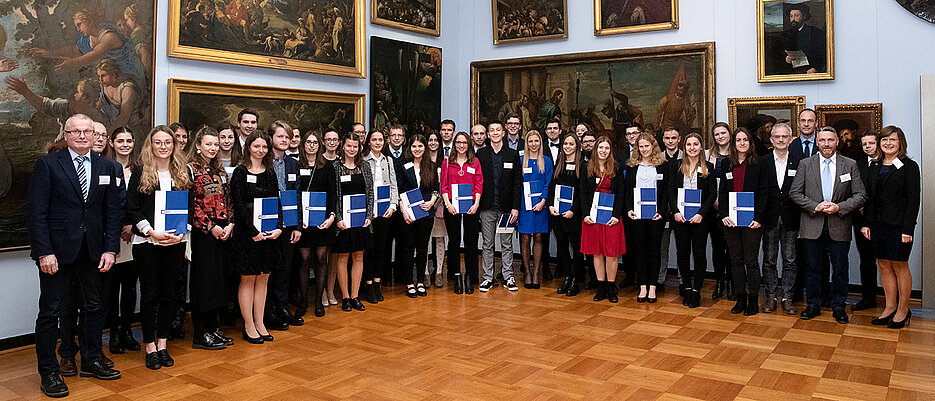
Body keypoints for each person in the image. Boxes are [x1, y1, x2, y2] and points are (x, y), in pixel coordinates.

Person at [28, 114, 123, 397]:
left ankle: (91, 360)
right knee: (51, 312)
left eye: (88, 132)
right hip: (56, 252)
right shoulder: (48, 165)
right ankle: (49, 373)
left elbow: (113, 212)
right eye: (76, 132)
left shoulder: (109, 166)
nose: (82, 136)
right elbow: (36, 213)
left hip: (94, 251)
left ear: (96, 136)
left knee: (95, 307)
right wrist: (44, 252)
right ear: (66, 135)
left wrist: (110, 248)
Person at [127, 125, 192, 369]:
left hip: (175, 243)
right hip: (147, 243)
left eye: (168, 142)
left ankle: (163, 344)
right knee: (150, 294)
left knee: (169, 295)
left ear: (174, 146)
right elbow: (132, 208)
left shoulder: (183, 172)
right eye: (158, 142)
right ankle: (149, 347)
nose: (163, 146)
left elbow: (191, 208)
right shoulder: (140, 172)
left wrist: (182, 231)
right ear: (150, 145)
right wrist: (151, 231)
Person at [789, 127, 866, 324]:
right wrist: (816, 206)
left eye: (830, 140)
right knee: (812, 267)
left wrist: (838, 207)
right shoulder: (805, 164)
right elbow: (795, 193)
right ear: (817, 142)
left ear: (836, 142)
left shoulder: (850, 165)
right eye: (822, 140)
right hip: (812, 223)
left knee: (840, 268)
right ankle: (813, 305)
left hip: (839, 223)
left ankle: (839, 306)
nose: (826, 144)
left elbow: (860, 195)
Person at [861, 126, 919, 329]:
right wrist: (866, 223)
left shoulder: (909, 166)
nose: (888, 144)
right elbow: (870, 199)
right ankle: (890, 307)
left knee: (900, 265)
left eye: (892, 140)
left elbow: (913, 201)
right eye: (884, 140)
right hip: (877, 225)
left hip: (898, 227)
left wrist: (908, 229)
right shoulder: (875, 165)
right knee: (883, 264)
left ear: (900, 142)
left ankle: (903, 310)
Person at [229, 132, 282, 344]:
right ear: (248, 147)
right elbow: (239, 205)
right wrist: (253, 232)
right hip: (247, 235)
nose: (260, 150)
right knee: (248, 278)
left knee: (264, 278)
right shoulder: (240, 172)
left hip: (268, 234)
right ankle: (248, 324)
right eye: (256, 146)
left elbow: (276, 200)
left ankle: (260, 322)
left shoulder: (270, 172)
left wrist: (278, 227)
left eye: (264, 147)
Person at [185, 126, 234, 350]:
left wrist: (230, 224)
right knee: (203, 282)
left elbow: (229, 199)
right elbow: (192, 205)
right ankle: (200, 334)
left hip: (224, 233)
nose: (213, 148)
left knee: (218, 281)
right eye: (208, 144)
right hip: (204, 234)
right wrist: (210, 227)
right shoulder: (190, 171)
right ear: (198, 145)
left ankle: (213, 329)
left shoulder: (220, 172)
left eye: (215, 144)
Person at [718, 128, 769, 316]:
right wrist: (723, 214)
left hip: (751, 222)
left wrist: (759, 219)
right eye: (738, 140)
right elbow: (722, 192)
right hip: (731, 220)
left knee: (751, 261)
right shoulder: (726, 164)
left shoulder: (760, 163)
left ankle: (753, 301)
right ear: (734, 143)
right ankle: (740, 299)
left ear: (750, 143)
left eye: (745, 139)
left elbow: (764, 193)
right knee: (736, 260)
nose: (741, 143)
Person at [666, 132, 715, 308]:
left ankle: (696, 290)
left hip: (700, 219)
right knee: (683, 253)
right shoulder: (676, 166)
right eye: (689, 144)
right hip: (681, 219)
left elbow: (712, 194)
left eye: (695, 144)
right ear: (684, 147)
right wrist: (676, 212)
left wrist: (701, 213)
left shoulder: (708, 167)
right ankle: (686, 287)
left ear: (701, 147)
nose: (692, 148)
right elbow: (670, 190)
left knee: (700, 254)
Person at [104, 127, 140, 355]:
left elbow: (142, 202)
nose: (125, 144)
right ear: (112, 142)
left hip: (134, 236)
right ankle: (114, 332)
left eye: (128, 140)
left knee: (129, 286)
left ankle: (127, 330)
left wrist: (132, 227)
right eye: (120, 141)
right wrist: (116, 228)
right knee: (110, 288)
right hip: (111, 237)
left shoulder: (139, 169)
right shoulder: (105, 168)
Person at [758, 123, 800, 315]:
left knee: (790, 260)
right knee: (769, 260)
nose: (781, 140)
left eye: (785, 136)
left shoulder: (801, 162)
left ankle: (788, 298)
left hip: (792, 219)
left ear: (791, 139)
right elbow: (760, 192)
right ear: (771, 139)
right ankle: (770, 297)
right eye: (777, 136)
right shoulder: (762, 161)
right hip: (770, 219)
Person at [265, 121, 303, 330]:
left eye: (287, 138)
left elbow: (297, 195)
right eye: (280, 137)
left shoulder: (292, 164)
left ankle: (282, 307)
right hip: (268, 222)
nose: (284, 141)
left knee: (284, 269)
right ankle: (268, 311)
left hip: (288, 224)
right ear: (271, 138)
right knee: (268, 269)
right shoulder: (263, 162)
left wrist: (297, 226)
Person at [475, 121, 521, 292]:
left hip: (506, 208)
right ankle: (487, 277)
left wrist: (515, 207)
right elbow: (477, 182)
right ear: (488, 134)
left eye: (498, 130)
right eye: (491, 130)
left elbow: (517, 183)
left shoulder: (512, 154)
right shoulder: (481, 154)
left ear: (503, 133)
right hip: (487, 207)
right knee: (487, 243)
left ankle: (508, 276)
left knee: (506, 243)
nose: (495, 133)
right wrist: (478, 206)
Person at [579, 136, 626, 303]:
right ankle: (601, 286)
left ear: (610, 151)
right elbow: (583, 193)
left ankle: (612, 286)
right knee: (597, 253)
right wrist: (585, 214)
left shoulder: (617, 168)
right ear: (595, 149)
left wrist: (615, 215)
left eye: (606, 148)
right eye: (600, 148)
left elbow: (621, 193)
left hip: (611, 218)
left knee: (611, 254)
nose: (603, 151)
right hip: (592, 218)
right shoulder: (586, 168)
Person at [332, 133, 374, 311]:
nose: (351, 149)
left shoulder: (364, 166)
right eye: (348, 146)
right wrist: (338, 219)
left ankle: (355, 296)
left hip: (361, 220)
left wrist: (369, 216)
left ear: (359, 148)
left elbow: (370, 193)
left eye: (355, 146)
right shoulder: (335, 167)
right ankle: (345, 297)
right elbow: (334, 195)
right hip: (343, 223)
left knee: (358, 256)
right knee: (342, 258)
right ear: (343, 146)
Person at [296, 130, 336, 317]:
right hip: (302, 223)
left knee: (321, 260)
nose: (312, 145)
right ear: (303, 145)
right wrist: (297, 220)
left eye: (315, 142)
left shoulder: (327, 167)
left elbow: (333, 194)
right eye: (308, 142)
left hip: (322, 223)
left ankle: (319, 301)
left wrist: (331, 217)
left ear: (320, 145)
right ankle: (303, 302)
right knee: (303, 260)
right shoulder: (296, 166)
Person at [624, 133, 667, 303]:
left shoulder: (662, 166)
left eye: (647, 146)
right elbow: (627, 191)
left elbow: (665, 193)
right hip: (637, 216)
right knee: (639, 251)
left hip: (656, 216)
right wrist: (629, 210)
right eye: (640, 146)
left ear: (653, 146)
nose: (644, 149)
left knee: (654, 251)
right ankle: (642, 286)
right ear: (637, 148)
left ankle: (653, 287)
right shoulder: (632, 167)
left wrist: (662, 212)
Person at [440, 131, 483, 294]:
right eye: (458, 142)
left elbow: (479, 184)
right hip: (452, 207)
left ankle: (470, 276)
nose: (461, 145)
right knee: (454, 241)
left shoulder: (475, 162)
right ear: (454, 144)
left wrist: (476, 203)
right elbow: (443, 185)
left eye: (464, 142)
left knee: (471, 242)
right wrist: (448, 204)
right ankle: (456, 275)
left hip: (471, 206)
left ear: (469, 144)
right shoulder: (447, 163)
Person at [397, 134, 439, 297]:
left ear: (425, 148)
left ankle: (420, 281)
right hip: (408, 214)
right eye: (414, 146)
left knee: (422, 248)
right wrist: (403, 210)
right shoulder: (402, 165)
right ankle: (409, 282)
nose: (417, 149)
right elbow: (399, 189)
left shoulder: (432, 165)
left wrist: (432, 202)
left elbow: (436, 188)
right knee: (408, 249)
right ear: (410, 148)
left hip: (426, 213)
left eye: (420, 146)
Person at [362, 129, 399, 302]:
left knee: (381, 250)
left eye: (381, 140)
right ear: (368, 142)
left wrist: (393, 205)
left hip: (385, 212)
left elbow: (393, 185)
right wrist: (369, 210)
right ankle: (368, 284)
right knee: (369, 249)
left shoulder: (389, 160)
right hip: (370, 214)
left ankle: (377, 283)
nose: (378, 143)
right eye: (374, 139)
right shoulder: (362, 161)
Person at [548, 133, 584, 296]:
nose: (568, 147)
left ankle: (576, 279)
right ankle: (567, 277)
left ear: (577, 146)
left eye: (571, 144)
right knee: (562, 246)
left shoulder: (583, 165)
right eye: (565, 144)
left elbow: (583, 192)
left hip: (573, 215)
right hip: (557, 214)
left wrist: (573, 210)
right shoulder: (559, 164)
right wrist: (550, 205)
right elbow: (551, 187)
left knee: (576, 248)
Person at [518, 130, 553, 289]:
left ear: (540, 143)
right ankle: (527, 271)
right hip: (524, 206)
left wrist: (543, 201)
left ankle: (537, 271)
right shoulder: (520, 160)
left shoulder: (546, 161)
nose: (533, 144)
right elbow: (516, 185)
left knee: (538, 237)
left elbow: (548, 183)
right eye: (530, 141)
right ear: (527, 144)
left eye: (536, 141)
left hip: (540, 205)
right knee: (525, 238)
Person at [851, 131, 879, 311]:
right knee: (866, 260)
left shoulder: (887, 164)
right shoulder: (858, 165)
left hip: (881, 220)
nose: (867, 146)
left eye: (871, 143)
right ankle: (868, 298)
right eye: (864, 144)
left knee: (886, 261)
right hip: (860, 219)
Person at [706, 122, 733, 300]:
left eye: (723, 133)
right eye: (717, 134)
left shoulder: (737, 154)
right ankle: (719, 283)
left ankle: (731, 284)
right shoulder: (707, 155)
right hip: (711, 208)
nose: (720, 136)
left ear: (729, 134)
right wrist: (713, 202)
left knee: (731, 248)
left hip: (731, 208)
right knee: (716, 248)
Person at [657, 127, 682, 289]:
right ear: (663, 140)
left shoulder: (687, 157)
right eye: (667, 138)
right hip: (663, 211)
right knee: (662, 248)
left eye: (674, 137)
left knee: (682, 248)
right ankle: (660, 280)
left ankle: (682, 280)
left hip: (682, 211)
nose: (670, 141)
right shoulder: (657, 159)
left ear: (679, 139)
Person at [426, 130, 448, 287]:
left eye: (436, 140)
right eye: (430, 140)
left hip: (441, 205)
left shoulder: (445, 161)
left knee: (440, 237)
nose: (433, 142)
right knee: (425, 239)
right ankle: (426, 273)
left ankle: (439, 272)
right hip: (425, 205)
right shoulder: (422, 159)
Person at [780, 3, 827, 74]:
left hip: (810, 70)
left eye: (796, 16)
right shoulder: (785, 34)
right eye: (791, 16)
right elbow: (777, 54)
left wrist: (815, 68)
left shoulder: (815, 33)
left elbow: (823, 54)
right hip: (791, 72)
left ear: (804, 16)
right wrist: (786, 58)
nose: (793, 19)